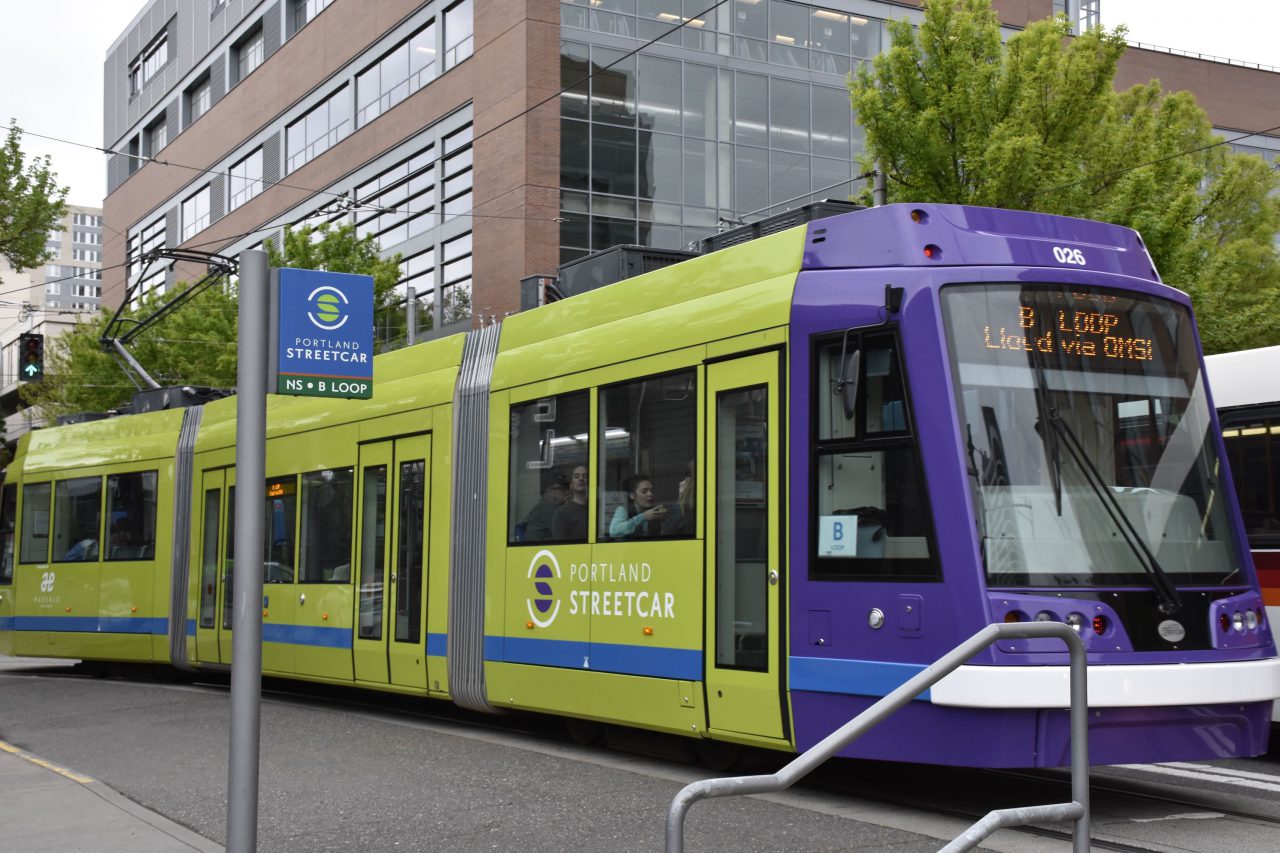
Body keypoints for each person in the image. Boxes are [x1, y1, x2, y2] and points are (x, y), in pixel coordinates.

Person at [609, 473, 668, 539]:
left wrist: (665, 521)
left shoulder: (654, 511)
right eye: (644, 491)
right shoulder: (623, 510)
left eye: (652, 490)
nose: (650, 494)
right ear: (632, 495)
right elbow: (614, 531)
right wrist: (643, 517)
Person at [522, 472, 568, 542]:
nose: (566, 492)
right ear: (549, 491)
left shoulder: (550, 506)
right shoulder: (547, 508)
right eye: (561, 488)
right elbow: (563, 532)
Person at [551, 465, 589, 540]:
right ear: (571, 485)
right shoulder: (562, 513)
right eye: (576, 476)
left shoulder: (598, 508)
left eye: (585, 476)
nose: (581, 479)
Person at [663, 461, 696, 536]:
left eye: (687, 477)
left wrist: (681, 498)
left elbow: (668, 534)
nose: (681, 482)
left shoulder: (681, 508)